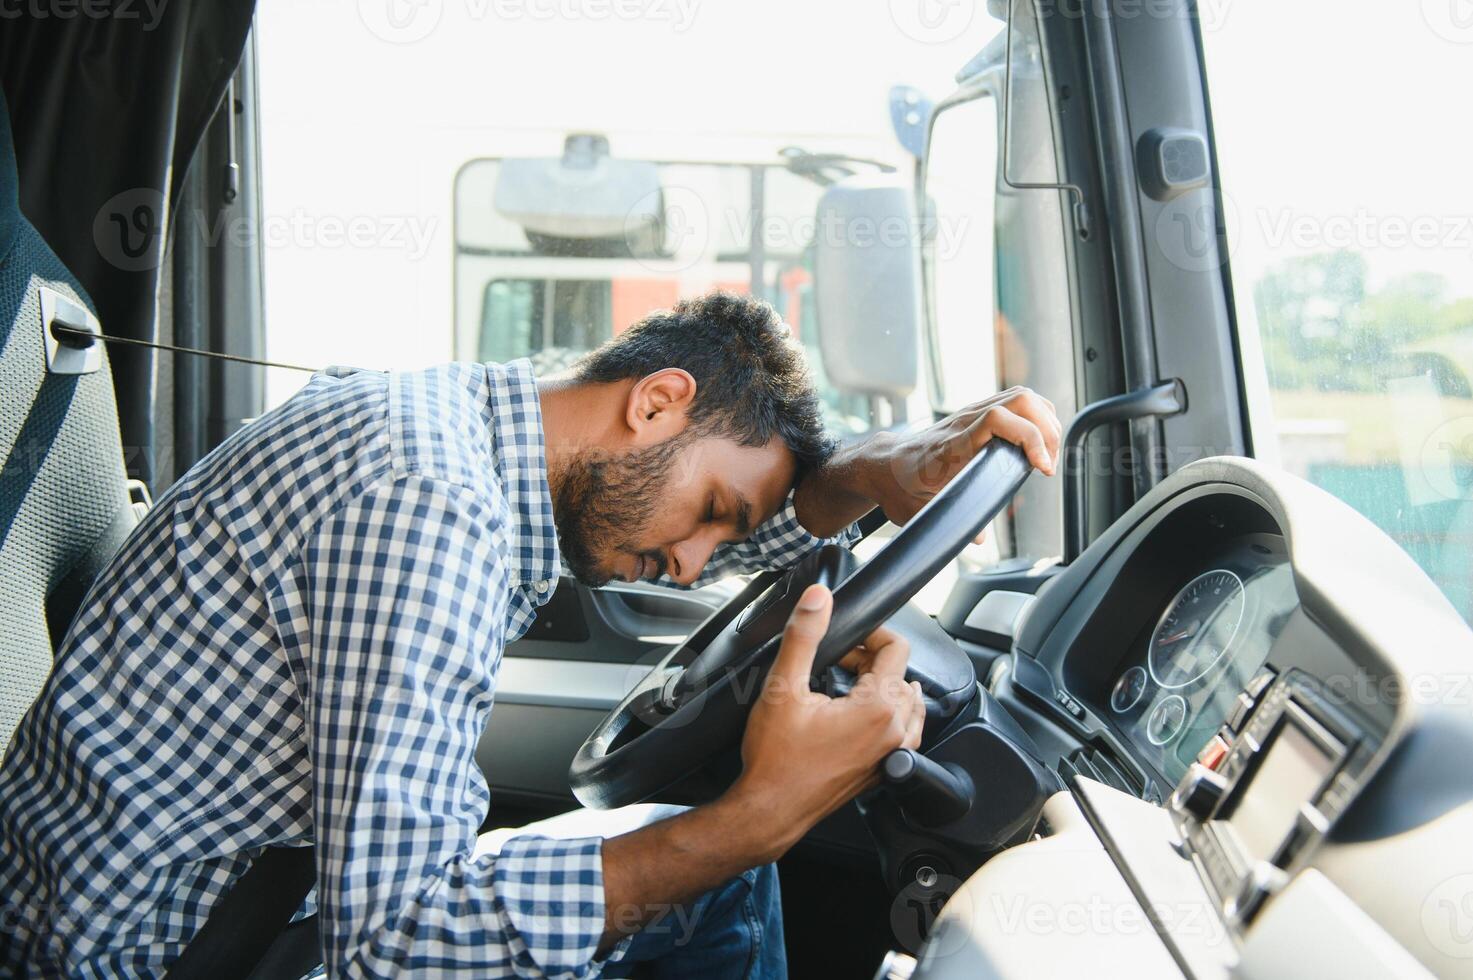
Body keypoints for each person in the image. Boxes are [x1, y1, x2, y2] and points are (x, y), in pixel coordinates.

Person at [0, 291, 1060, 978]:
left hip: (227, 900)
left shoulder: (455, 433)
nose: (699, 564)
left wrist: (876, 470)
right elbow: (396, 943)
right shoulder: (429, 504)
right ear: (657, 401)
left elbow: (743, 513)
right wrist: (755, 818)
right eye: (716, 515)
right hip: (159, 953)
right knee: (718, 874)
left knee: (698, 876)